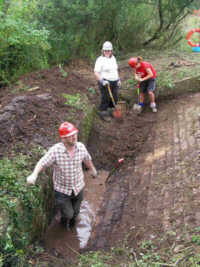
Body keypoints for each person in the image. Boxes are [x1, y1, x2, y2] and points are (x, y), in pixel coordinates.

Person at [26, 121, 97, 230]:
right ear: (63, 139)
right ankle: (64, 223)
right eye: (70, 136)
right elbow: (42, 162)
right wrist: (34, 175)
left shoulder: (81, 147)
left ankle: (72, 224)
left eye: (75, 134)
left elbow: (86, 159)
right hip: (62, 191)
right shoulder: (56, 151)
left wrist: (92, 169)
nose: (74, 137)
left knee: (76, 212)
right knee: (68, 214)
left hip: (78, 186)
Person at [94, 41, 121, 121]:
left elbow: (116, 70)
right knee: (106, 97)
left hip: (114, 81)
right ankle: (103, 112)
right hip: (105, 82)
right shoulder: (100, 59)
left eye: (108, 50)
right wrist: (102, 80)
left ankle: (111, 111)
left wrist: (118, 79)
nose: (107, 52)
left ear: (111, 50)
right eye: (105, 50)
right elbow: (96, 72)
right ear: (103, 50)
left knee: (115, 97)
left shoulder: (113, 58)